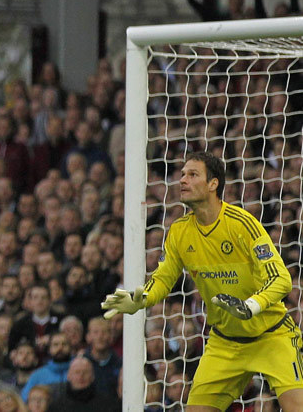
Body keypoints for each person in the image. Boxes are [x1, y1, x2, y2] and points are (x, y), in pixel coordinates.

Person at [103, 151, 303, 411]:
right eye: (182, 174)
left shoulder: (242, 224)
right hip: (224, 343)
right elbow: (163, 279)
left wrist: (251, 305)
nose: (182, 180)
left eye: (192, 174)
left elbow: (281, 279)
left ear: (213, 184)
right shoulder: (179, 232)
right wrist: (140, 298)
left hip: (272, 336)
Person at [45, 357, 119, 411]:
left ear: (93, 376)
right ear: (68, 376)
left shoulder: (107, 405)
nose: (81, 376)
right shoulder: (56, 407)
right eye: (77, 372)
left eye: (85, 372)